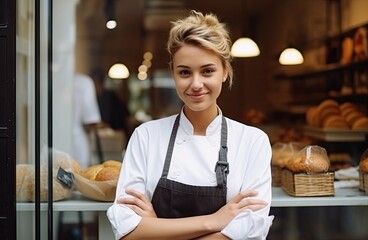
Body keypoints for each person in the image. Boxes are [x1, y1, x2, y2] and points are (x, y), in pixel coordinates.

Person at [107, 10, 274, 239]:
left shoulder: (253, 141)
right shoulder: (145, 136)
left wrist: (155, 228)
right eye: (185, 72)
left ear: (224, 71)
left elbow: (250, 231)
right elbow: (126, 230)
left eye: (207, 71)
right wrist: (213, 222)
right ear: (173, 74)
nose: (196, 84)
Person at [72, 73, 101, 168]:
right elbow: (91, 122)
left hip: (46, 146)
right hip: (76, 146)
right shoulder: (83, 83)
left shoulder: (41, 78)